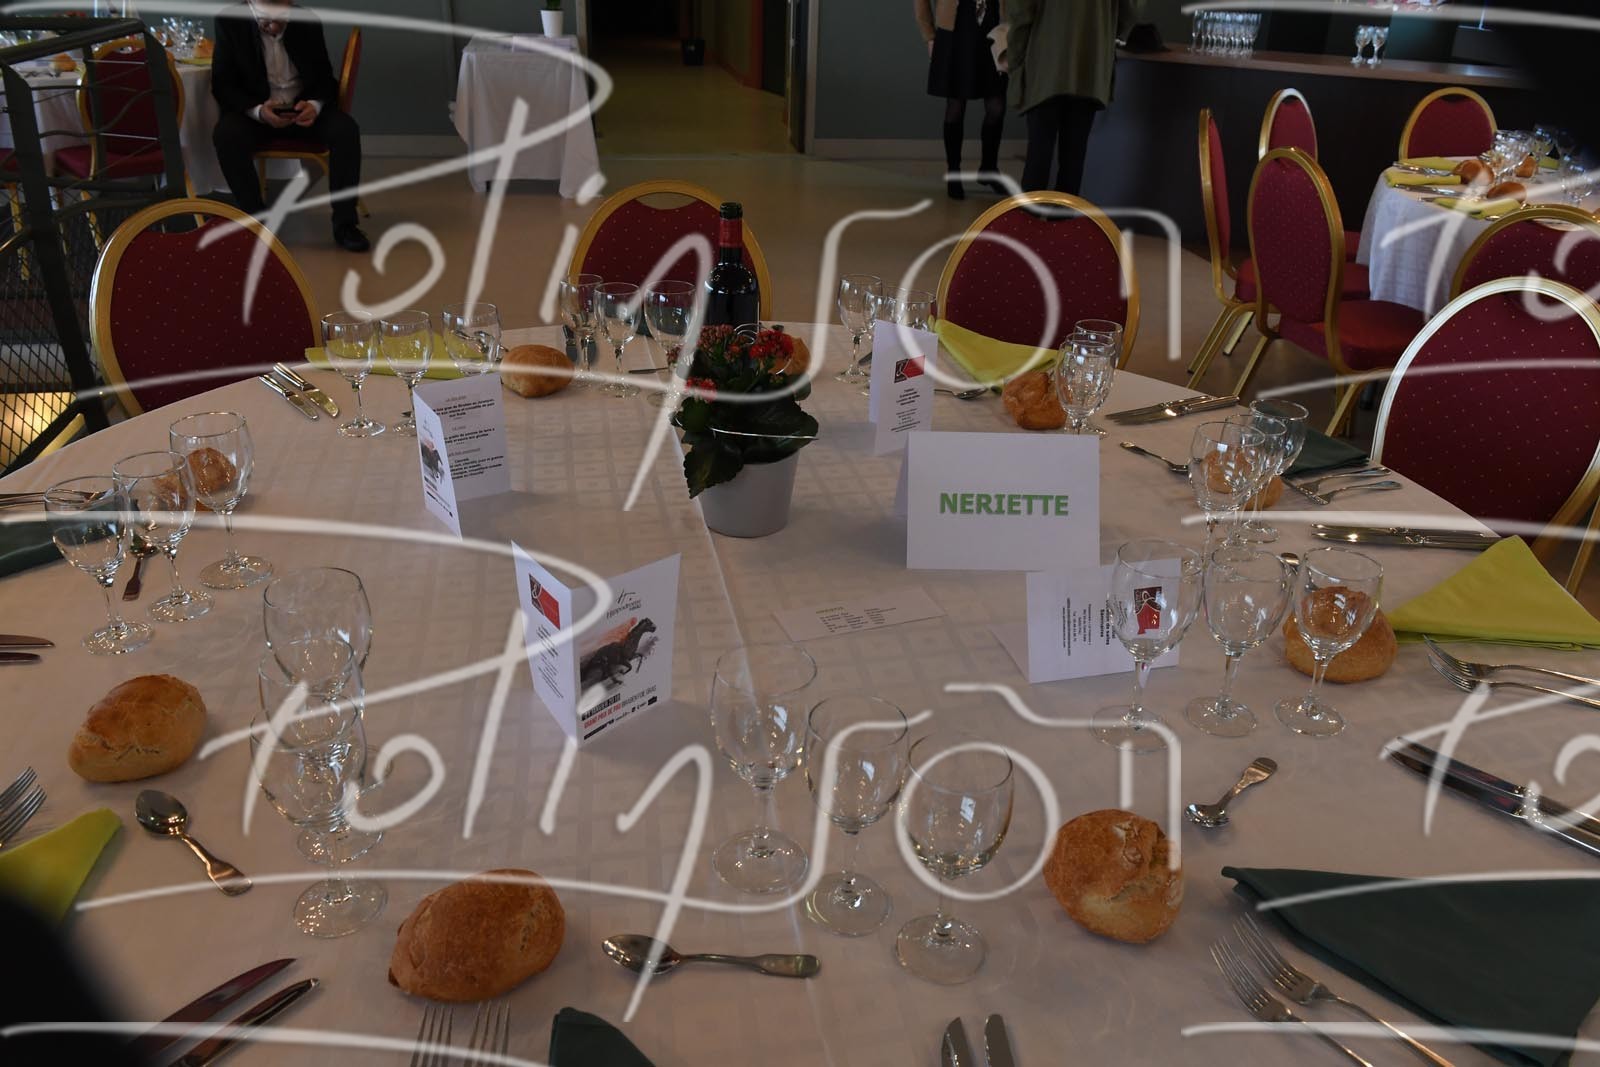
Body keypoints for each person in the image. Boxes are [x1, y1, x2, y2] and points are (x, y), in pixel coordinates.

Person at [210, 0, 369, 252]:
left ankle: (346, 224)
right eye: (267, 18)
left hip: (302, 110)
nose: (275, 25)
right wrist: (258, 111)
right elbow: (223, 85)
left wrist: (314, 105)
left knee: (346, 130)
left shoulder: (306, 19)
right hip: (258, 112)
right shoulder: (229, 20)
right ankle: (256, 223)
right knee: (226, 135)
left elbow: (325, 79)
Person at [1003, 0, 1133, 196]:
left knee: (1038, 157)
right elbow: (1130, 10)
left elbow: (1021, 13)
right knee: (1073, 160)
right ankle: (1063, 216)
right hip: (1090, 69)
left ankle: (1029, 216)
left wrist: (1015, 61)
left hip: (1046, 67)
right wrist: (1106, 30)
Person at [915, 0, 1008, 200]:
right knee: (955, 106)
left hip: (993, 30)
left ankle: (989, 169)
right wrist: (929, 35)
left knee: (997, 106)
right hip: (955, 31)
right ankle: (954, 172)